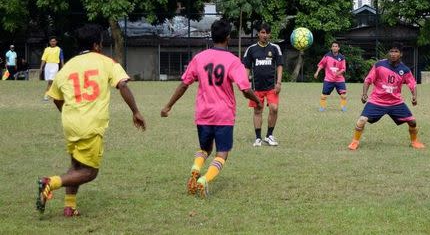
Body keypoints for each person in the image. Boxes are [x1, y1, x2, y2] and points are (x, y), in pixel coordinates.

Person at [36, 24, 146, 217]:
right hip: (91, 124)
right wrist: (135, 111)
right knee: (89, 172)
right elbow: (123, 86)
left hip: (70, 123)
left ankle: (69, 206)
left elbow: (56, 97)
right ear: (97, 45)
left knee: (76, 165)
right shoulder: (107, 62)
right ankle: (50, 183)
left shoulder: (68, 66)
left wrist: (68, 113)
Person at [161, 19, 262, 197]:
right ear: (228, 38)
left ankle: (196, 168)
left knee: (205, 149)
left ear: (212, 36)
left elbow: (184, 84)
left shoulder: (199, 58)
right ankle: (204, 179)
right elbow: (245, 89)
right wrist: (258, 102)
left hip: (203, 114)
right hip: (223, 115)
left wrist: (168, 105)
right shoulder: (232, 60)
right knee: (222, 153)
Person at [348, 43, 425, 150]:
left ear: (401, 54)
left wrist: (414, 96)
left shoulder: (405, 70)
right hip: (377, 101)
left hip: (395, 102)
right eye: (391, 51)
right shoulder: (379, 65)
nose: (393, 54)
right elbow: (368, 80)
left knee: (412, 121)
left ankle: (414, 141)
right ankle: (354, 142)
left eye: (396, 51)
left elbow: (412, 84)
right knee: (361, 120)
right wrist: (364, 94)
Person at [242, 23, 283, 147]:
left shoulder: (275, 48)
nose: (265, 35)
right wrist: (246, 84)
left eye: (267, 33)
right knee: (258, 110)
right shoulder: (251, 49)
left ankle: (269, 135)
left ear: (270, 34)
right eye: (262, 32)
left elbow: (280, 66)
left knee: (274, 108)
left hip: (272, 86)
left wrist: (279, 83)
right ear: (258, 34)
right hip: (256, 88)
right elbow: (247, 67)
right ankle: (258, 138)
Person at [314, 41, 347, 112]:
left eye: (336, 46)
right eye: (333, 46)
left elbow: (343, 69)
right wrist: (317, 72)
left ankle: (343, 107)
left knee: (343, 95)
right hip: (329, 79)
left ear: (339, 48)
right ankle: (322, 107)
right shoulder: (327, 56)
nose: (334, 47)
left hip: (339, 80)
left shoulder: (341, 57)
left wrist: (338, 73)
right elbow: (321, 64)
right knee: (323, 96)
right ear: (331, 48)